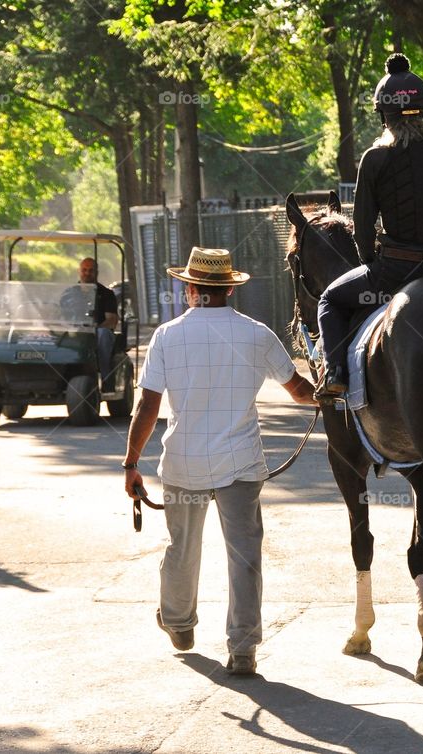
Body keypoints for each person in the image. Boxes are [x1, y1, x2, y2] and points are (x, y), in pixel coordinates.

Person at [122, 247, 317, 675]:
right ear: (229, 288)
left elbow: (148, 408)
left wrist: (131, 463)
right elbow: (300, 392)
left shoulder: (167, 336)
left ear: (190, 289)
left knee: (181, 546)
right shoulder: (258, 334)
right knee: (245, 555)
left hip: (183, 463)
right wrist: (328, 393)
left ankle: (178, 622)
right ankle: (243, 648)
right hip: (240, 465)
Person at [315, 53, 423, 400]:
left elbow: (364, 226)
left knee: (329, 301)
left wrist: (369, 261)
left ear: (384, 116)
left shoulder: (376, 158)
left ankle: (335, 373)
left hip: (396, 272)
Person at [77, 257, 119, 383]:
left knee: (103, 334)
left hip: (98, 332)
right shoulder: (70, 292)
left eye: (91, 270)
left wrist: (95, 329)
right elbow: (61, 315)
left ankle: (106, 379)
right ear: (79, 271)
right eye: (84, 270)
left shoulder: (106, 294)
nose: (87, 273)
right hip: (77, 331)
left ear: (96, 273)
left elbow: (111, 320)